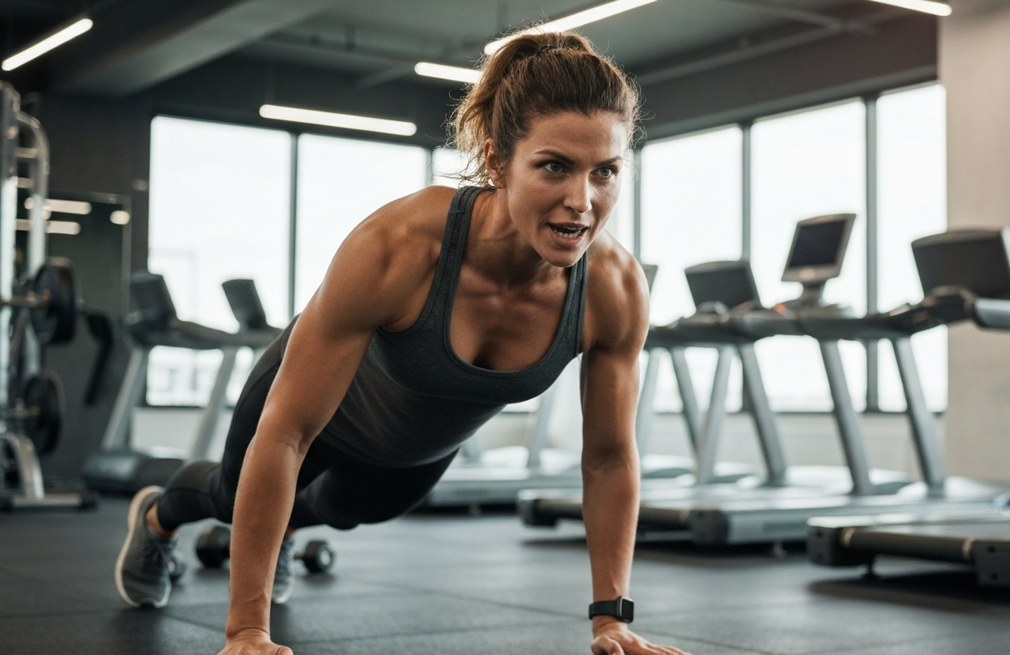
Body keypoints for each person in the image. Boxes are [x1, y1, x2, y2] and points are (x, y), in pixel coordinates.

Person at [113, 31, 690, 655]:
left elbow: (608, 458)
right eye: (554, 166)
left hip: (412, 449)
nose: (583, 201)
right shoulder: (401, 245)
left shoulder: (613, 289)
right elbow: (286, 433)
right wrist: (247, 631)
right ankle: (157, 516)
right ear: (498, 162)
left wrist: (612, 620)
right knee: (231, 498)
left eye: (605, 171)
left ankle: (274, 535)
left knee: (344, 509)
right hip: (314, 412)